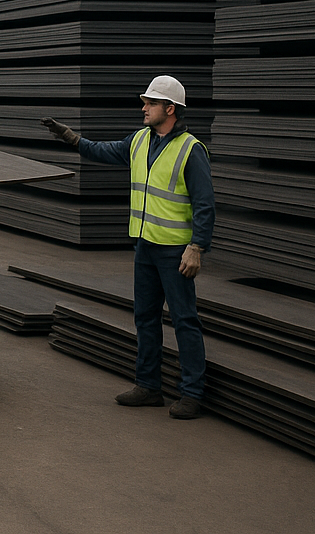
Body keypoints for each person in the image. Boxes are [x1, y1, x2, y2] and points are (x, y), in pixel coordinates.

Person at [41, 75, 214, 420]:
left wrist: (197, 246)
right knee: (145, 318)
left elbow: (205, 203)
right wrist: (70, 137)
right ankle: (148, 386)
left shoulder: (190, 150)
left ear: (170, 109)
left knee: (184, 321)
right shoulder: (139, 141)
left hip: (174, 251)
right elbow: (103, 151)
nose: (144, 107)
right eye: (145, 102)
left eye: (150, 103)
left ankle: (192, 393)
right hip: (145, 247)